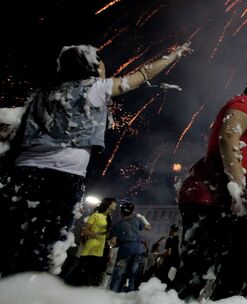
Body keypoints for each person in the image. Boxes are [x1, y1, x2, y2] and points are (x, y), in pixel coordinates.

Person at [0, 42, 191, 276]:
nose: (104, 66)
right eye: (99, 62)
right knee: (46, 245)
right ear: (89, 65)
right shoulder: (94, 88)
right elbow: (141, 76)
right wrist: (172, 57)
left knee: (14, 240)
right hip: (60, 177)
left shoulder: (44, 93)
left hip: (23, 174)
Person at [174, 72, 247, 301]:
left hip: (225, 201)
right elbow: (228, 136)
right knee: (197, 271)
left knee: (232, 271)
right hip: (210, 196)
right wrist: (237, 185)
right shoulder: (246, 103)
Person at [68, 197, 117, 286]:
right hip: (91, 248)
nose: (116, 205)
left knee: (90, 274)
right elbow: (84, 231)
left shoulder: (109, 218)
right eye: (114, 203)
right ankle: (68, 287)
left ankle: (78, 292)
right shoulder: (96, 215)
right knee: (80, 271)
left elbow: (106, 234)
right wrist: (94, 234)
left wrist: (112, 238)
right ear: (108, 204)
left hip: (100, 249)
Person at [108, 202, 151, 292]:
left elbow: (112, 242)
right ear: (132, 212)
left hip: (124, 252)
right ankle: (128, 296)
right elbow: (148, 228)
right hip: (137, 251)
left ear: (121, 212)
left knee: (118, 274)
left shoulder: (117, 225)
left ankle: (112, 294)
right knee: (132, 276)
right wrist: (142, 217)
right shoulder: (137, 220)